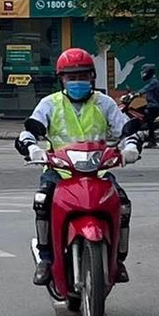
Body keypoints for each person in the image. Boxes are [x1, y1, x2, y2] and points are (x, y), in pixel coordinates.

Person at [16, 47, 135, 283]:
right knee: (42, 201)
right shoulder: (50, 104)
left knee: (122, 204)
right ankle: (46, 259)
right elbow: (30, 131)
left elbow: (126, 129)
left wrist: (131, 146)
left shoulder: (105, 103)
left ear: (92, 77)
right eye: (72, 77)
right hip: (59, 171)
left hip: (98, 171)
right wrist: (32, 147)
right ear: (62, 79)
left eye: (83, 76)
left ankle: (118, 260)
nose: (77, 81)